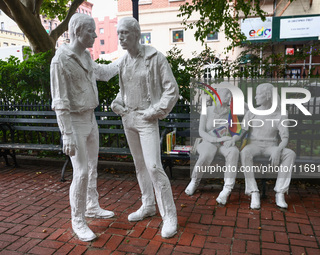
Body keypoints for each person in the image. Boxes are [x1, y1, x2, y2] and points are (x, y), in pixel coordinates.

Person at [50, 13, 119, 242]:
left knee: (92, 168)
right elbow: (59, 101)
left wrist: (125, 59)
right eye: (91, 31)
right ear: (78, 31)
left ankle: (91, 206)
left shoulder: (87, 57)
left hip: (90, 119)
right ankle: (78, 220)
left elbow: (104, 73)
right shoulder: (60, 59)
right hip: (75, 123)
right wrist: (66, 133)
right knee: (80, 172)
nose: (95, 35)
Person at [111, 17, 179, 238]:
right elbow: (126, 90)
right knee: (139, 166)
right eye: (118, 33)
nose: (120, 37)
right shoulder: (122, 62)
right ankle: (148, 204)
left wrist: (153, 112)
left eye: (125, 33)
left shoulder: (155, 58)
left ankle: (169, 215)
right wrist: (117, 101)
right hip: (128, 119)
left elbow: (172, 90)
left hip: (147, 119)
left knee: (153, 167)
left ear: (136, 34)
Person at [238, 83, 296, 209]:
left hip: (271, 146)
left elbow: (285, 138)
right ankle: (253, 191)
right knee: (245, 152)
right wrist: (232, 140)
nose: (255, 97)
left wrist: (278, 150)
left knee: (290, 154)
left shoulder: (280, 114)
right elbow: (242, 132)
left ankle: (280, 192)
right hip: (254, 145)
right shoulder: (252, 112)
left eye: (259, 94)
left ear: (268, 95)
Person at [185, 88, 240, 205]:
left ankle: (227, 189)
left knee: (234, 152)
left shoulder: (231, 112)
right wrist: (215, 139)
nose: (229, 98)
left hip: (224, 143)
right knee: (206, 154)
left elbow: (237, 131)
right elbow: (201, 131)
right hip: (208, 141)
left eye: (230, 96)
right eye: (226, 95)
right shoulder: (207, 111)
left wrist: (232, 139)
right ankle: (195, 181)